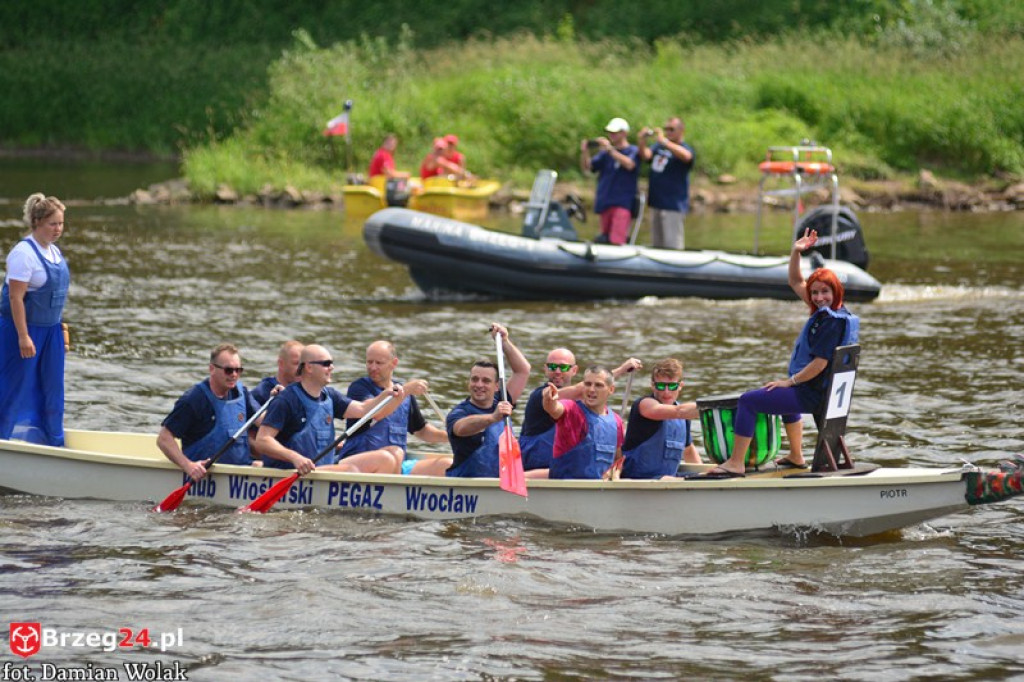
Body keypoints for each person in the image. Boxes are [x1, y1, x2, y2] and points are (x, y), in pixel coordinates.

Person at [705, 229, 860, 477]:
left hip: (813, 394)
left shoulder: (830, 322)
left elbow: (820, 364)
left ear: (836, 292)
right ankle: (797, 456)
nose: (819, 297)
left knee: (749, 401)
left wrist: (790, 381)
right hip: (822, 393)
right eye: (815, 292)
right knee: (784, 395)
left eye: (825, 292)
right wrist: (796, 252)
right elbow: (795, 282)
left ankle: (736, 463)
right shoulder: (838, 313)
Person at [254, 344, 405, 474]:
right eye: (326, 363)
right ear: (309, 367)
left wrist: (387, 395)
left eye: (331, 363)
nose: (331, 367)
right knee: (350, 470)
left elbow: (364, 409)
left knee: (388, 455)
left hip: (320, 470)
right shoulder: (287, 400)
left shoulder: (330, 396)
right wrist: (295, 457)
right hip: (294, 472)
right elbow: (263, 440)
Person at [0, 193, 70, 446]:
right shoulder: (23, 254)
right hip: (23, 332)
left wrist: (61, 328)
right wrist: (23, 336)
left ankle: (51, 441)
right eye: (53, 224)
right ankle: (4, 439)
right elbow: (16, 299)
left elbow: (57, 297)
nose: (58, 229)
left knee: (52, 390)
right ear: (37, 222)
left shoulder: (54, 252)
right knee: (14, 388)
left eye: (61, 223)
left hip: (50, 332)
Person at [338, 340, 451, 477]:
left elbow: (422, 431)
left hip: (396, 466)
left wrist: (453, 436)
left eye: (379, 363)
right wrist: (407, 389)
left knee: (446, 465)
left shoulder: (405, 396)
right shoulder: (359, 388)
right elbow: (376, 413)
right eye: (369, 362)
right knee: (392, 455)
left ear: (394, 363)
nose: (373, 367)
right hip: (359, 463)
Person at [519, 350, 641, 472]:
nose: (557, 371)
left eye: (563, 367)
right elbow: (574, 393)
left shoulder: (604, 415)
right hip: (536, 469)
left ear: (574, 370)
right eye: (552, 367)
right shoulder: (542, 395)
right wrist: (621, 370)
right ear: (545, 369)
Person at [157, 344, 262, 480]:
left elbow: (266, 422)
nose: (234, 375)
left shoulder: (241, 393)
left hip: (241, 474)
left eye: (238, 370)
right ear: (212, 369)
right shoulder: (194, 399)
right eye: (228, 370)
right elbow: (164, 438)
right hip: (204, 477)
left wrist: (281, 402)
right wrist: (188, 466)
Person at [446, 324, 531, 478]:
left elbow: (522, 371)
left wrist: (505, 341)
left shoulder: (503, 400)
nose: (479, 385)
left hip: (499, 483)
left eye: (486, 381)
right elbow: (460, 428)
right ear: (469, 382)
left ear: (497, 386)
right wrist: (492, 418)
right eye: (475, 379)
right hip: (466, 487)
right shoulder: (459, 412)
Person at [620, 358, 701, 479]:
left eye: (672, 386)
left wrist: (704, 475)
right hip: (638, 481)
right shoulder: (645, 405)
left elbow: (689, 451)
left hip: (667, 481)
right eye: (661, 386)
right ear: (652, 385)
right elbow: (679, 411)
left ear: (680, 386)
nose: (666, 392)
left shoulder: (683, 417)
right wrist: (716, 408)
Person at [542, 365, 624, 479]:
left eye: (598, 385)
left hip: (600, 491)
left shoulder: (617, 421)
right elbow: (554, 408)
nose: (591, 389)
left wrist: (615, 474)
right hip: (566, 489)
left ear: (611, 390)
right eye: (587, 384)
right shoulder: (572, 410)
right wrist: (548, 400)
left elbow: (617, 459)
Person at [637, 117, 695, 250]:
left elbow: (687, 157)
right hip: (656, 202)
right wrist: (642, 141)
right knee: (657, 244)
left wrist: (664, 141)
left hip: (673, 205)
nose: (668, 132)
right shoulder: (659, 147)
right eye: (666, 129)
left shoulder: (684, 148)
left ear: (681, 131)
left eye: (671, 129)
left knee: (672, 244)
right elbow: (646, 156)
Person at [580, 117, 640, 245]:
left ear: (624, 133)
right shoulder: (604, 154)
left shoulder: (632, 151)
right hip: (605, 202)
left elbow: (630, 164)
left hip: (622, 203)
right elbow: (588, 168)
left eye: (614, 132)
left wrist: (610, 150)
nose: (611, 135)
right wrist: (585, 152)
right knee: (604, 239)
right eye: (610, 132)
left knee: (616, 240)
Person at [251, 340, 303, 405]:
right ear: (281, 364)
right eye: (296, 363)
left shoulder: (309, 391)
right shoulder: (261, 393)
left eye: (303, 364)